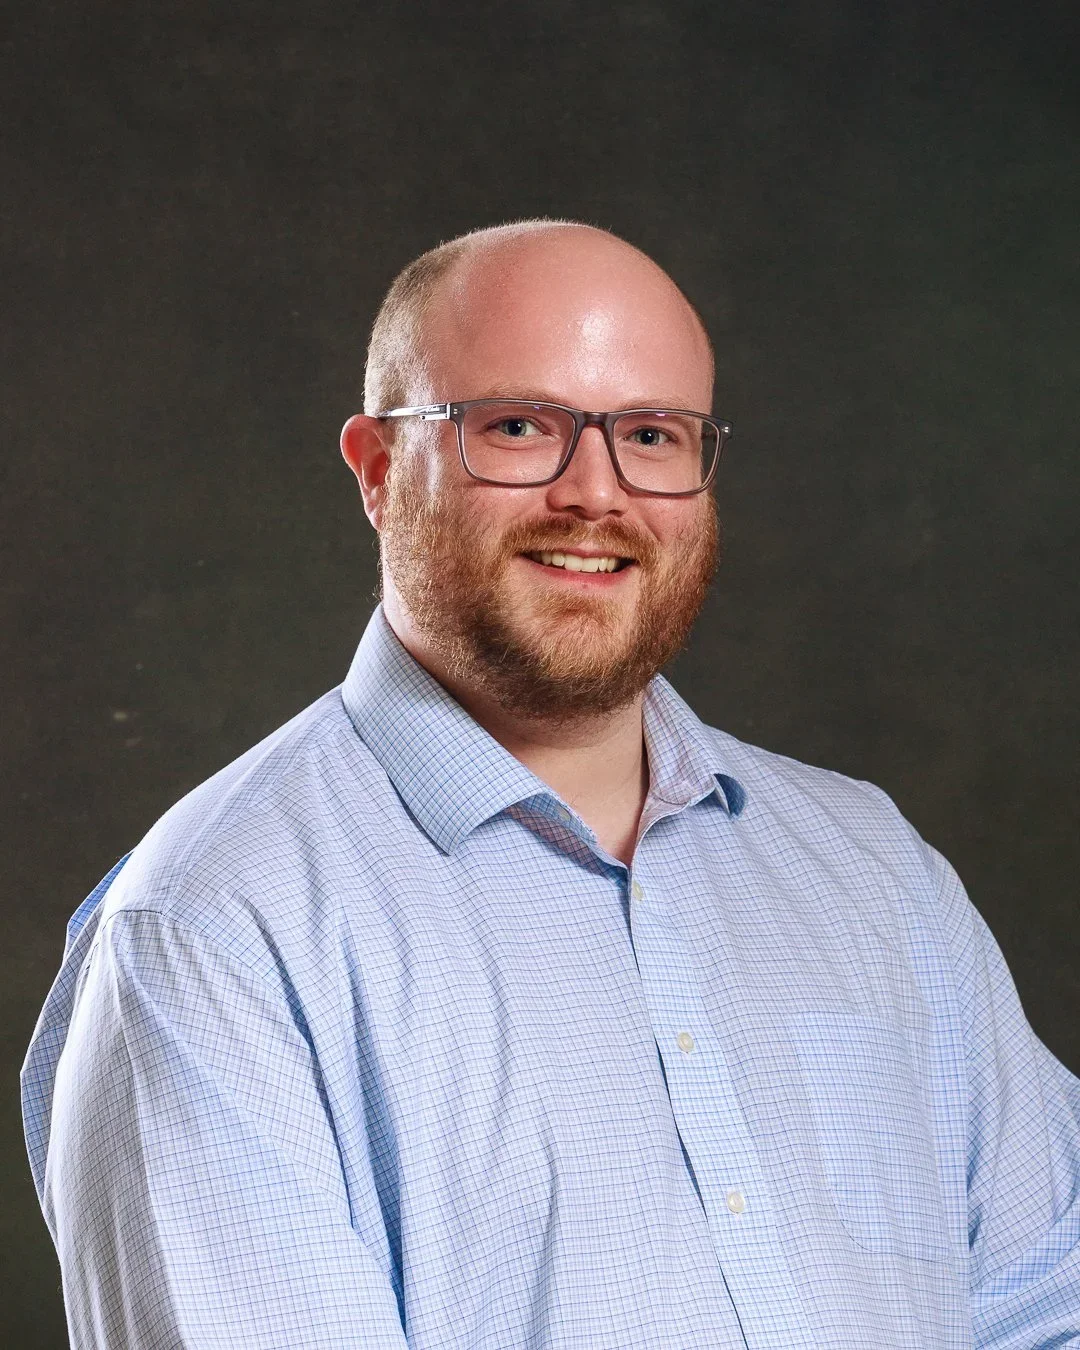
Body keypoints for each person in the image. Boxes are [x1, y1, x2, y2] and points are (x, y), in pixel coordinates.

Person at [22, 219, 1080, 1349]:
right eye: (520, 426)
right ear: (379, 471)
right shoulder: (212, 935)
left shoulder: (874, 871)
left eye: (652, 435)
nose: (595, 495)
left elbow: (1048, 1301)